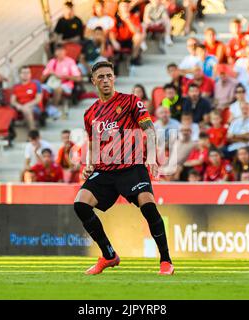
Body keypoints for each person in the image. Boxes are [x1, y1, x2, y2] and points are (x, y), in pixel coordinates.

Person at [74, 61, 174, 275]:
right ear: (93, 81)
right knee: (80, 204)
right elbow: (93, 142)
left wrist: (151, 157)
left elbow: (149, 128)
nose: (105, 80)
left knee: (148, 207)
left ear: (114, 78)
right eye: (100, 77)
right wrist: (90, 163)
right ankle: (109, 255)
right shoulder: (90, 113)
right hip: (106, 170)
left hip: (132, 166)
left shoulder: (130, 102)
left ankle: (166, 261)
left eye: (109, 75)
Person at [41, 45, 82, 115]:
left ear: (65, 52)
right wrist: (48, 74)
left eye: (62, 50)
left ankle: (53, 108)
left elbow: (78, 78)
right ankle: (41, 109)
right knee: (39, 88)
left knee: (58, 88)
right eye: (58, 50)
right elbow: (41, 79)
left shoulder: (70, 62)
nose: (60, 52)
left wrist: (62, 76)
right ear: (55, 53)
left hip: (66, 85)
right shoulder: (52, 62)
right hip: (51, 84)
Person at [110, 0, 145, 66]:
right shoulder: (115, 18)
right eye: (123, 6)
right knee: (110, 43)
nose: (125, 8)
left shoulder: (134, 17)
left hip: (130, 41)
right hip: (119, 41)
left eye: (126, 6)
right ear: (119, 8)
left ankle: (133, 58)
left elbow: (137, 31)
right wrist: (114, 41)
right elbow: (111, 32)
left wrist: (127, 20)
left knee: (138, 36)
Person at [11, 66, 43, 130]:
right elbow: (12, 101)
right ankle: (33, 131)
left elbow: (38, 98)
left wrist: (27, 105)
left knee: (27, 109)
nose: (26, 74)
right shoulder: (16, 86)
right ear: (20, 75)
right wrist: (18, 105)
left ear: (30, 74)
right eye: (23, 73)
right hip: (20, 107)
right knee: (25, 109)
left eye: (28, 73)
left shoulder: (36, 83)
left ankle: (32, 130)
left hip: (35, 106)